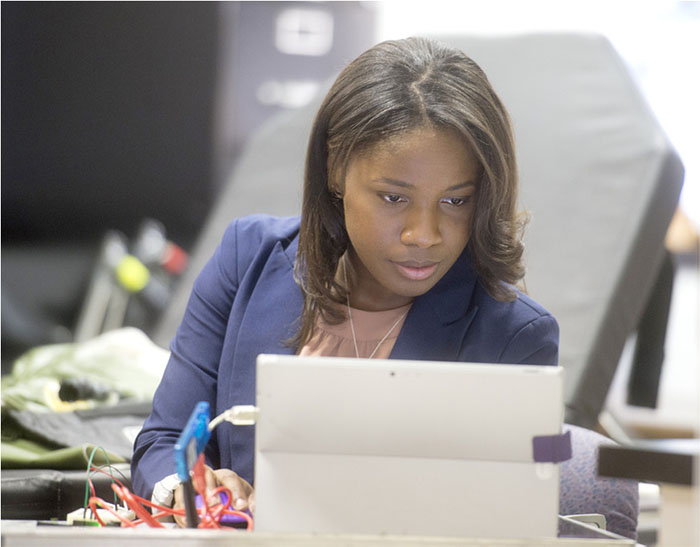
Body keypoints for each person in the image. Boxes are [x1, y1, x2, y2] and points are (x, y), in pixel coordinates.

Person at [131, 36, 559, 523]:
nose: (425, 234)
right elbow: (162, 443)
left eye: (456, 200)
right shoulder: (245, 259)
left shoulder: (512, 338)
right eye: (394, 198)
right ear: (336, 168)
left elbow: (508, 516)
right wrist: (195, 489)